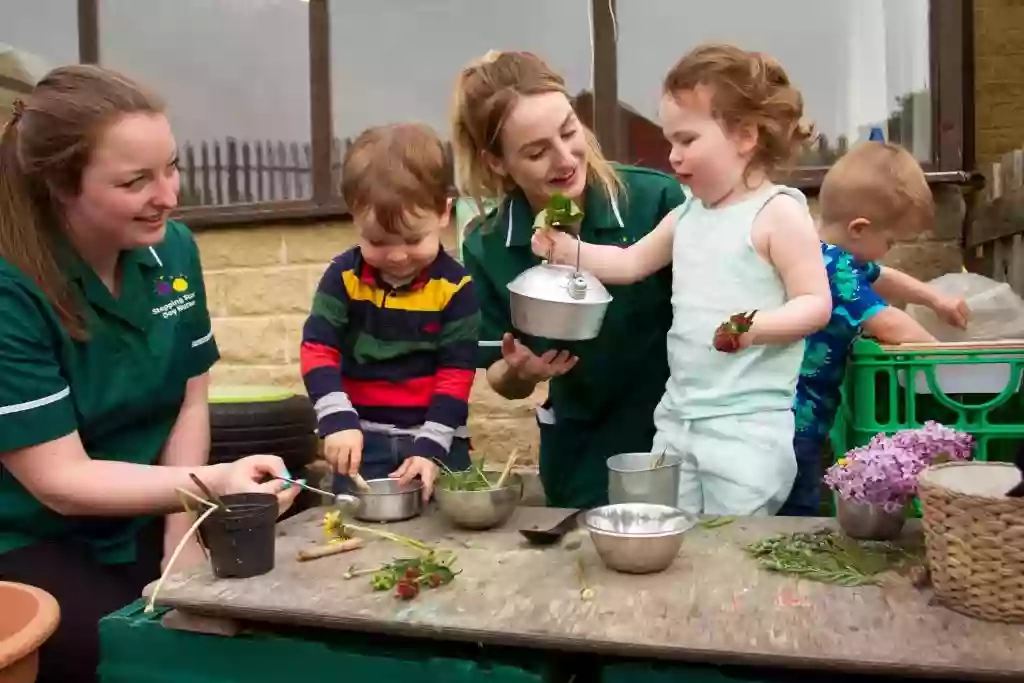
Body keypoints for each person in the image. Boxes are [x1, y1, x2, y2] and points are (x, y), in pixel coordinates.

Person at [0, 65, 298, 683]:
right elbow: (60, 480)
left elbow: (188, 399)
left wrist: (182, 538)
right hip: (31, 538)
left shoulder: (170, 255)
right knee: (116, 655)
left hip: (148, 513)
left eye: (172, 166)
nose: (169, 195)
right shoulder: (12, 291)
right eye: (137, 180)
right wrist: (212, 481)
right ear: (61, 184)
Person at [534, 44, 832, 516]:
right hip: (678, 418)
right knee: (677, 537)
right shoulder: (687, 215)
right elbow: (630, 264)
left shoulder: (777, 214)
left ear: (744, 136)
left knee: (732, 548)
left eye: (687, 140)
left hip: (745, 428)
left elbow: (816, 303)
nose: (672, 157)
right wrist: (569, 252)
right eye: (670, 141)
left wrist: (753, 327)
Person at [451, 50, 688, 509]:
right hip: (579, 455)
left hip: (675, 439)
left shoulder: (655, 200)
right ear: (497, 162)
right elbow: (500, 377)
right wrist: (520, 371)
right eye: (537, 151)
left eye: (568, 132)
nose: (565, 159)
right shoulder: (488, 245)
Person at [778, 141, 971, 516]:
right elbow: (888, 323)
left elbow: (882, 276)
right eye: (891, 240)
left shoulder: (825, 253)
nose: (889, 249)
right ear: (859, 229)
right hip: (796, 421)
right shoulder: (832, 269)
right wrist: (953, 361)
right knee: (795, 505)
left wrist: (935, 299)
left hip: (795, 412)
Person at [300, 123, 479, 502]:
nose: (397, 256)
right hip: (361, 443)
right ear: (354, 219)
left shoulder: (457, 288)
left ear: (444, 213)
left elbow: (455, 374)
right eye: (378, 242)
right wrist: (336, 419)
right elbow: (318, 350)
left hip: (438, 442)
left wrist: (431, 445)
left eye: (414, 239)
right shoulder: (343, 277)